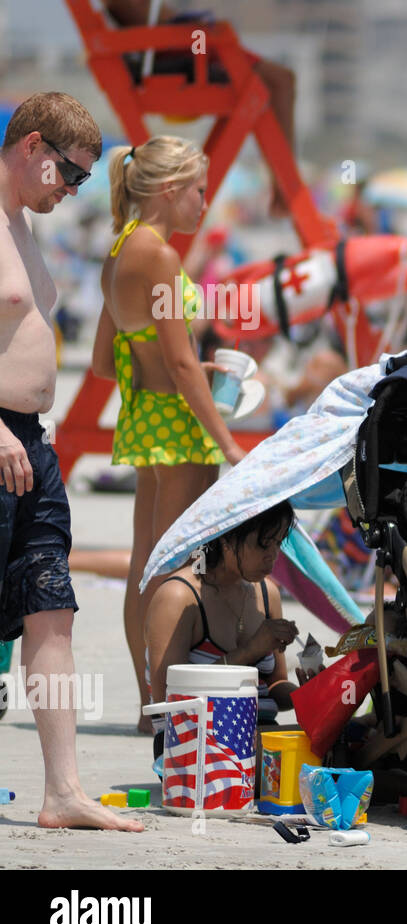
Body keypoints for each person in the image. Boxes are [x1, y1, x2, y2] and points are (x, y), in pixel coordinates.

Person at [0, 91, 142, 830]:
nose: (75, 189)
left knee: (52, 613)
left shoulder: (23, 227)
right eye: (70, 173)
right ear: (29, 147)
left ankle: (62, 792)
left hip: (33, 445)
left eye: (86, 179)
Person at [91, 135, 247, 733]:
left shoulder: (119, 251)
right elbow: (182, 365)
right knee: (177, 568)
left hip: (143, 419)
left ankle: (147, 701)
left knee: (146, 564)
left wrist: (172, 364)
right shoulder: (160, 256)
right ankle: (167, 701)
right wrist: (230, 444)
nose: (205, 203)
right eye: (201, 190)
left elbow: (107, 359)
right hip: (179, 429)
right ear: (170, 189)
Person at [104, 0, 298, 218]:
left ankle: (284, 184)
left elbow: (142, 15)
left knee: (278, 80)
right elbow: (142, 15)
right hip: (187, 45)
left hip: (187, 43)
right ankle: (286, 186)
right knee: (281, 80)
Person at [144, 501, 302, 760]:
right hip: (192, 742)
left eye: (278, 543)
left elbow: (275, 685)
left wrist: (309, 696)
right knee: (317, 762)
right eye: (264, 543)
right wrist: (251, 651)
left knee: (346, 741)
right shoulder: (179, 597)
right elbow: (169, 702)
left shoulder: (266, 592)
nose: (272, 554)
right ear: (227, 539)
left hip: (260, 734)